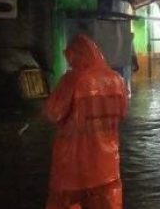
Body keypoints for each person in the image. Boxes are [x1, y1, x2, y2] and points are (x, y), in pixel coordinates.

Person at [44, 34, 128, 209]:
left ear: (77, 55)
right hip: (107, 166)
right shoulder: (117, 80)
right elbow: (123, 114)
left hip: (73, 166)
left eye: (70, 56)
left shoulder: (73, 79)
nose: (69, 61)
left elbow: (52, 113)